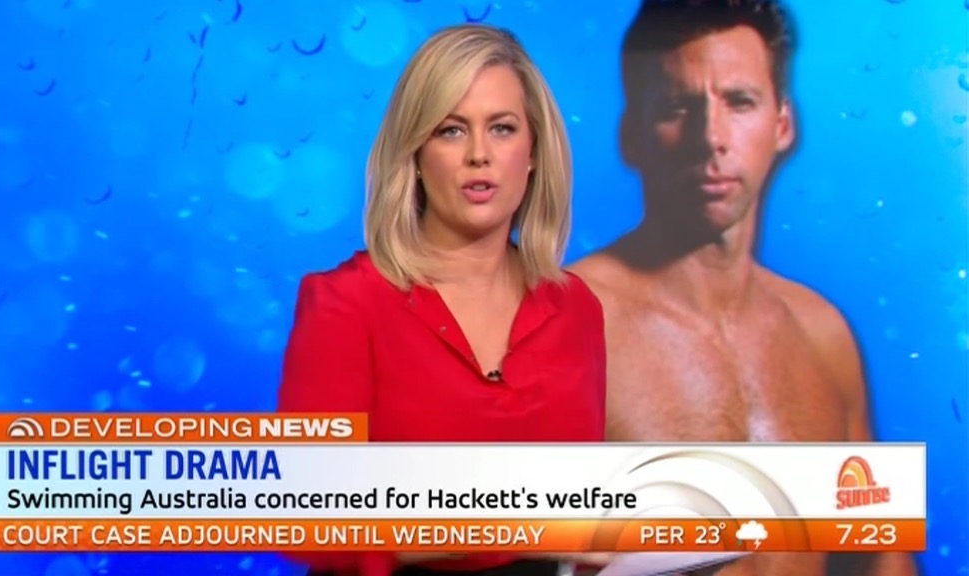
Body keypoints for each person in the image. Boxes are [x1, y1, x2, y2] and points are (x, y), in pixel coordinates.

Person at [568, 1, 918, 575]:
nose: (711, 138)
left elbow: (881, 558)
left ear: (783, 124)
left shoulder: (824, 334)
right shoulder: (565, 323)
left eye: (739, 101)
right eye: (677, 107)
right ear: (631, 134)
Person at [278, 24, 608, 576]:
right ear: (415, 154)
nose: (479, 154)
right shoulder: (344, 304)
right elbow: (307, 527)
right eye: (451, 131)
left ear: (533, 152)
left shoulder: (575, 310)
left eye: (502, 128)